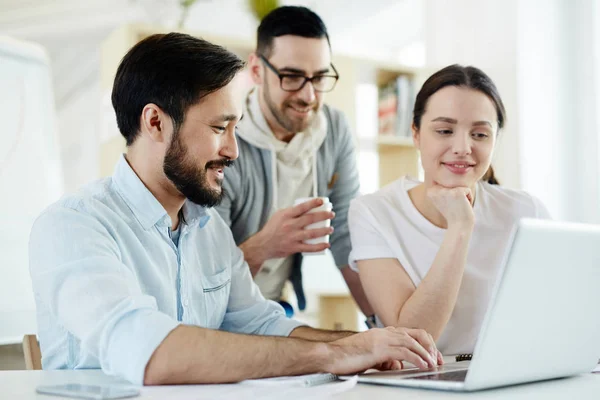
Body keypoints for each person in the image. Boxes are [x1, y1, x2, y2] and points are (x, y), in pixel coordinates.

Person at [28, 33, 441, 386]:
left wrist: (364, 345)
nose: (233, 150)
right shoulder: (73, 226)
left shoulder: (207, 228)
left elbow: (262, 325)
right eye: (217, 128)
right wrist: (330, 357)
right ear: (155, 123)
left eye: (235, 128)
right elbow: (151, 353)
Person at [348, 65, 551, 355]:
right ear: (416, 134)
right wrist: (459, 227)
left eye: (480, 135)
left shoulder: (526, 211)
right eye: (445, 130)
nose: (463, 147)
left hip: (510, 373)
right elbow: (415, 338)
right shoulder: (373, 212)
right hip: (420, 381)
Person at [215, 6, 374, 322]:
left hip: (275, 308)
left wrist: (381, 322)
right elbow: (203, 278)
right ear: (257, 70)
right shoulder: (223, 141)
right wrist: (265, 245)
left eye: (319, 77)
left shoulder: (334, 130)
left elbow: (346, 235)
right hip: (217, 316)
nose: (308, 95)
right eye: (292, 77)